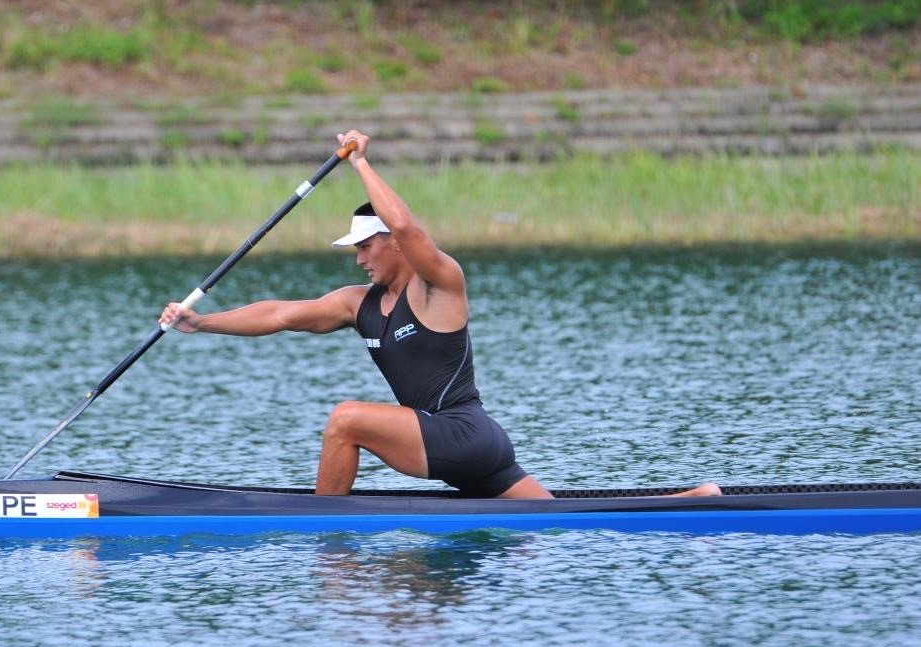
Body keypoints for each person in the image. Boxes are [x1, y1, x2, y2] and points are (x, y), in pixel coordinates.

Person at [161, 130, 721, 500]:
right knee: (558, 521)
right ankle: (693, 501)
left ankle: (321, 529)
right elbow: (281, 314)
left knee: (346, 419)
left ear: (393, 246)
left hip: (462, 432)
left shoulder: (439, 286)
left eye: (365, 247)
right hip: (464, 446)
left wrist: (360, 161)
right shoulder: (359, 305)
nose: (358, 258)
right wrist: (203, 322)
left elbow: (408, 228)